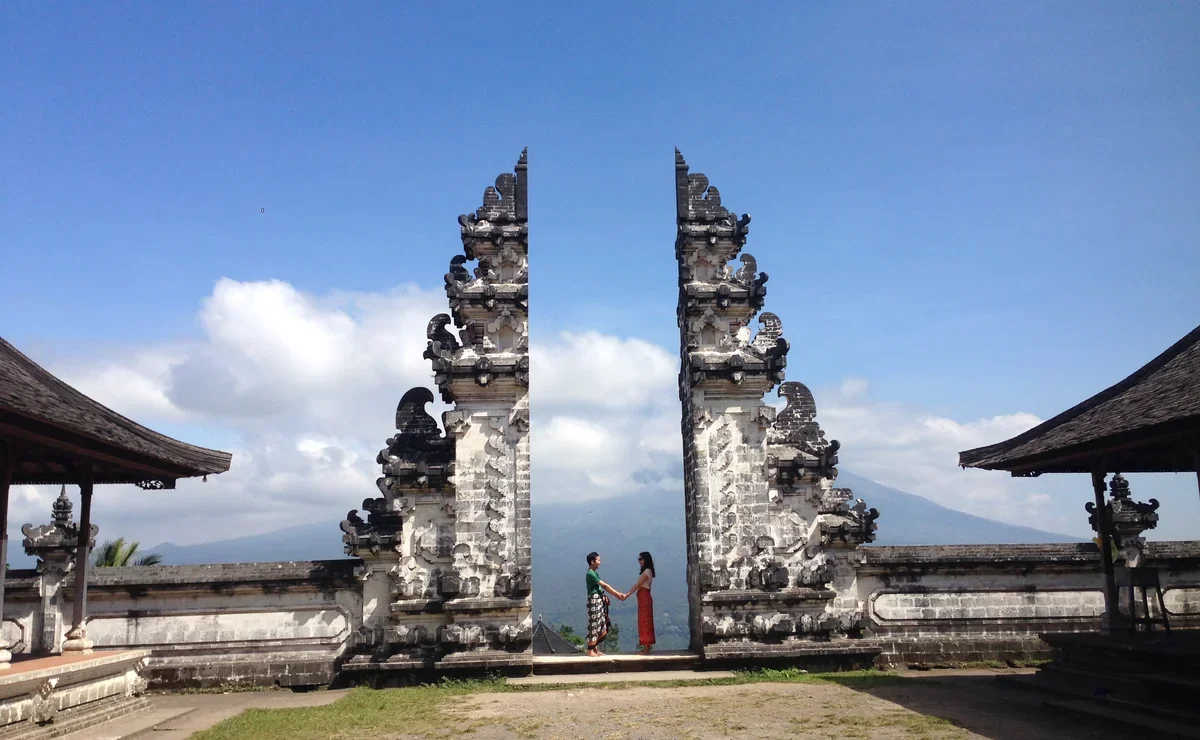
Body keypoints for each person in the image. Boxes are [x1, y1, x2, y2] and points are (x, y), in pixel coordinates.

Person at [584, 551, 625, 657]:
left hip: (598, 600)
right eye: (598, 560)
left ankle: (594, 649)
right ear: (592, 562)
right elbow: (604, 585)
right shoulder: (590, 574)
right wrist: (617, 594)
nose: (600, 562)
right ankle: (590, 650)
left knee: (601, 623)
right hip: (594, 600)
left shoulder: (594, 573)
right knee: (595, 623)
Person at [621, 551, 656, 653]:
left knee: (646, 622)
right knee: (643, 621)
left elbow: (638, 584)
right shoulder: (647, 571)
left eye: (641, 559)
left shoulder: (647, 572)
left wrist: (627, 594)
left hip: (644, 598)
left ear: (646, 559)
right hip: (642, 598)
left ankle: (646, 649)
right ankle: (645, 647)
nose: (639, 561)